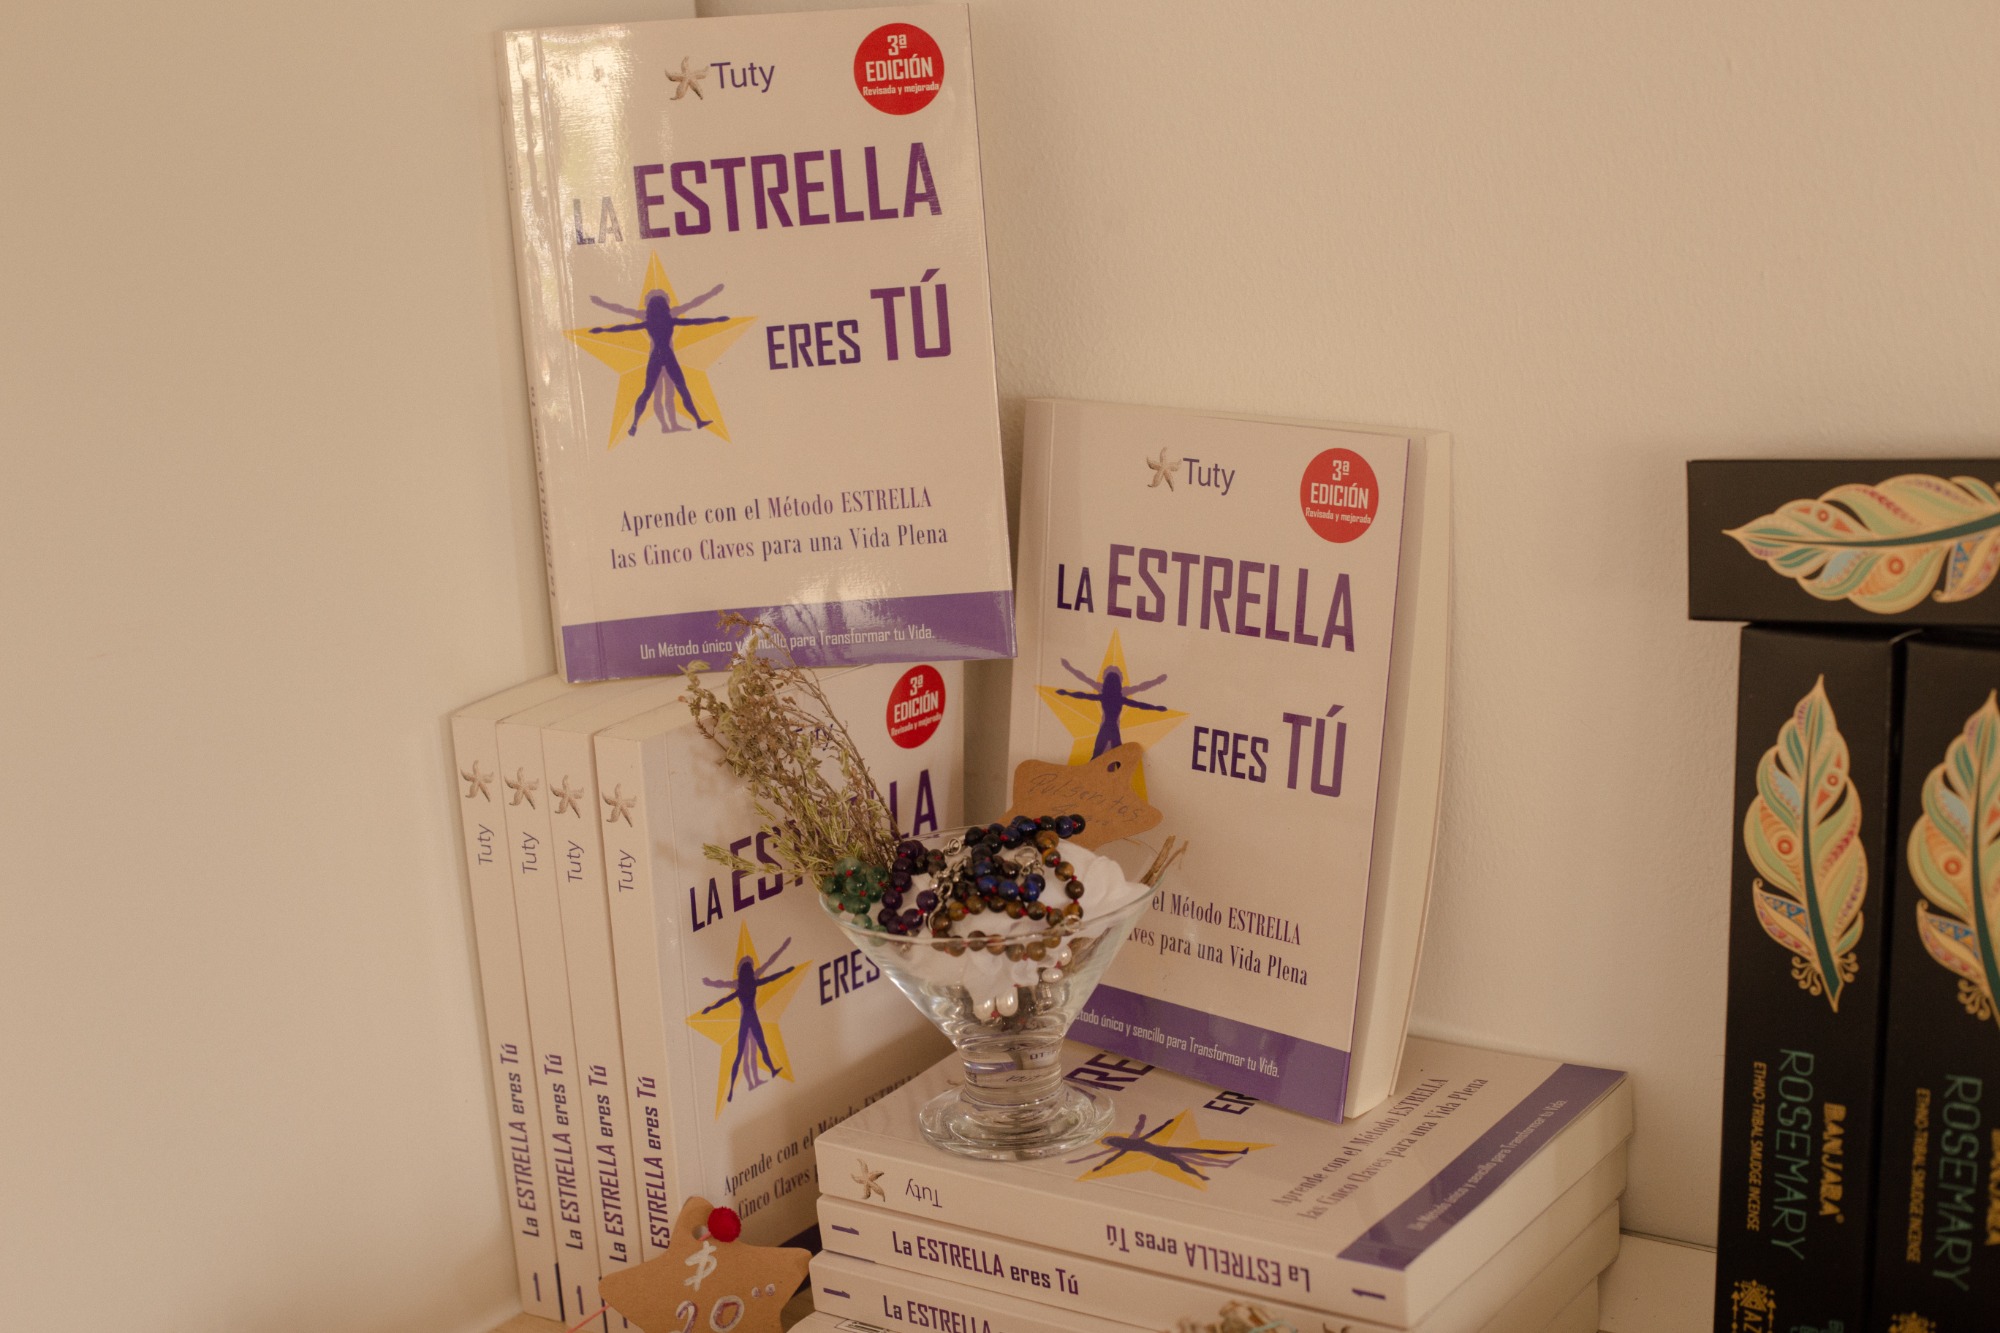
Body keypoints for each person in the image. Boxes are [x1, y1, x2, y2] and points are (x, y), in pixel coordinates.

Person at [588, 283, 727, 434]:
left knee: (648, 391)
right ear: (665, 306)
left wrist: (603, 329)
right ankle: (697, 420)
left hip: (655, 356)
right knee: (682, 388)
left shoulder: (649, 322)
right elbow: (695, 321)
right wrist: (716, 319)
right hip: (668, 355)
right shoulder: (670, 320)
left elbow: (624, 327)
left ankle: (634, 425)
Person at [698, 937, 796, 1101]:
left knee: (740, 1054)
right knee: (761, 1046)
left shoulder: (740, 986)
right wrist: (785, 969)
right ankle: (770, 1069)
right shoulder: (753, 982)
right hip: (753, 1018)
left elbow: (723, 997)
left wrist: (710, 1006)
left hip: (745, 1019)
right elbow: (771, 974)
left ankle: (731, 1090)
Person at [1056, 659, 1172, 758]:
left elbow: (1084, 692)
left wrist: (1067, 690)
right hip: (1113, 728)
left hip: (1106, 727)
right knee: (1114, 756)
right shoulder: (1120, 697)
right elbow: (1139, 702)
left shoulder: (1104, 695)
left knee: (1098, 755)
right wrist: (1156, 705)